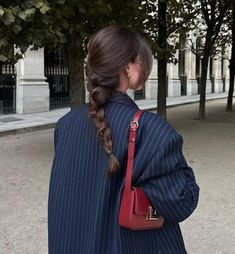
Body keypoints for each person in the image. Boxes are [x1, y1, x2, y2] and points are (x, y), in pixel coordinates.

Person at [48, 25, 199, 254]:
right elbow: (181, 202)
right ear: (128, 68)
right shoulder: (152, 130)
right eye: (144, 62)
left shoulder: (65, 124)